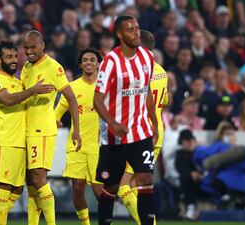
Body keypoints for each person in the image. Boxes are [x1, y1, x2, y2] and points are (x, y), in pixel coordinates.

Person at [94, 15, 158, 225]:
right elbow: (97, 99)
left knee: (146, 180)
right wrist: (112, 123)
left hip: (141, 132)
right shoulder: (110, 62)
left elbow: (147, 90)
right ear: (119, 34)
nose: (136, 33)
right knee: (112, 186)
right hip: (115, 137)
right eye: (130, 30)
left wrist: (153, 122)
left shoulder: (147, 56)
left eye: (137, 28)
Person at [0, 40, 55, 225]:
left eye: (15, 56)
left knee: (17, 190)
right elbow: (7, 99)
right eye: (9, 57)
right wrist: (32, 90)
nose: (14, 61)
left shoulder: (18, 81)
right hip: (5, 141)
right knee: (5, 187)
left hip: (22, 142)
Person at [21, 30, 81, 225]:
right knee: (31, 181)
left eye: (33, 47)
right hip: (28, 129)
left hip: (43, 130)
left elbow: (71, 97)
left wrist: (76, 129)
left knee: (39, 178)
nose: (29, 51)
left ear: (42, 45)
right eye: (26, 47)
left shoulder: (53, 67)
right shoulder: (26, 68)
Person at [120, 29, 168, 225]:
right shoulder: (162, 72)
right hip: (157, 133)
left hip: (140, 135)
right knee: (136, 187)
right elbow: (164, 101)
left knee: (123, 188)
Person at [55, 47, 103, 225]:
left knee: (99, 191)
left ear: (98, 64)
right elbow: (57, 113)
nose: (89, 62)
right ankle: (86, 223)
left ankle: (105, 220)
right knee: (77, 187)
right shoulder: (72, 88)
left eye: (92, 60)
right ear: (81, 65)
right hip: (77, 145)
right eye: (85, 60)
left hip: (99, 146)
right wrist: (56, 121)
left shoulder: (106, 87)